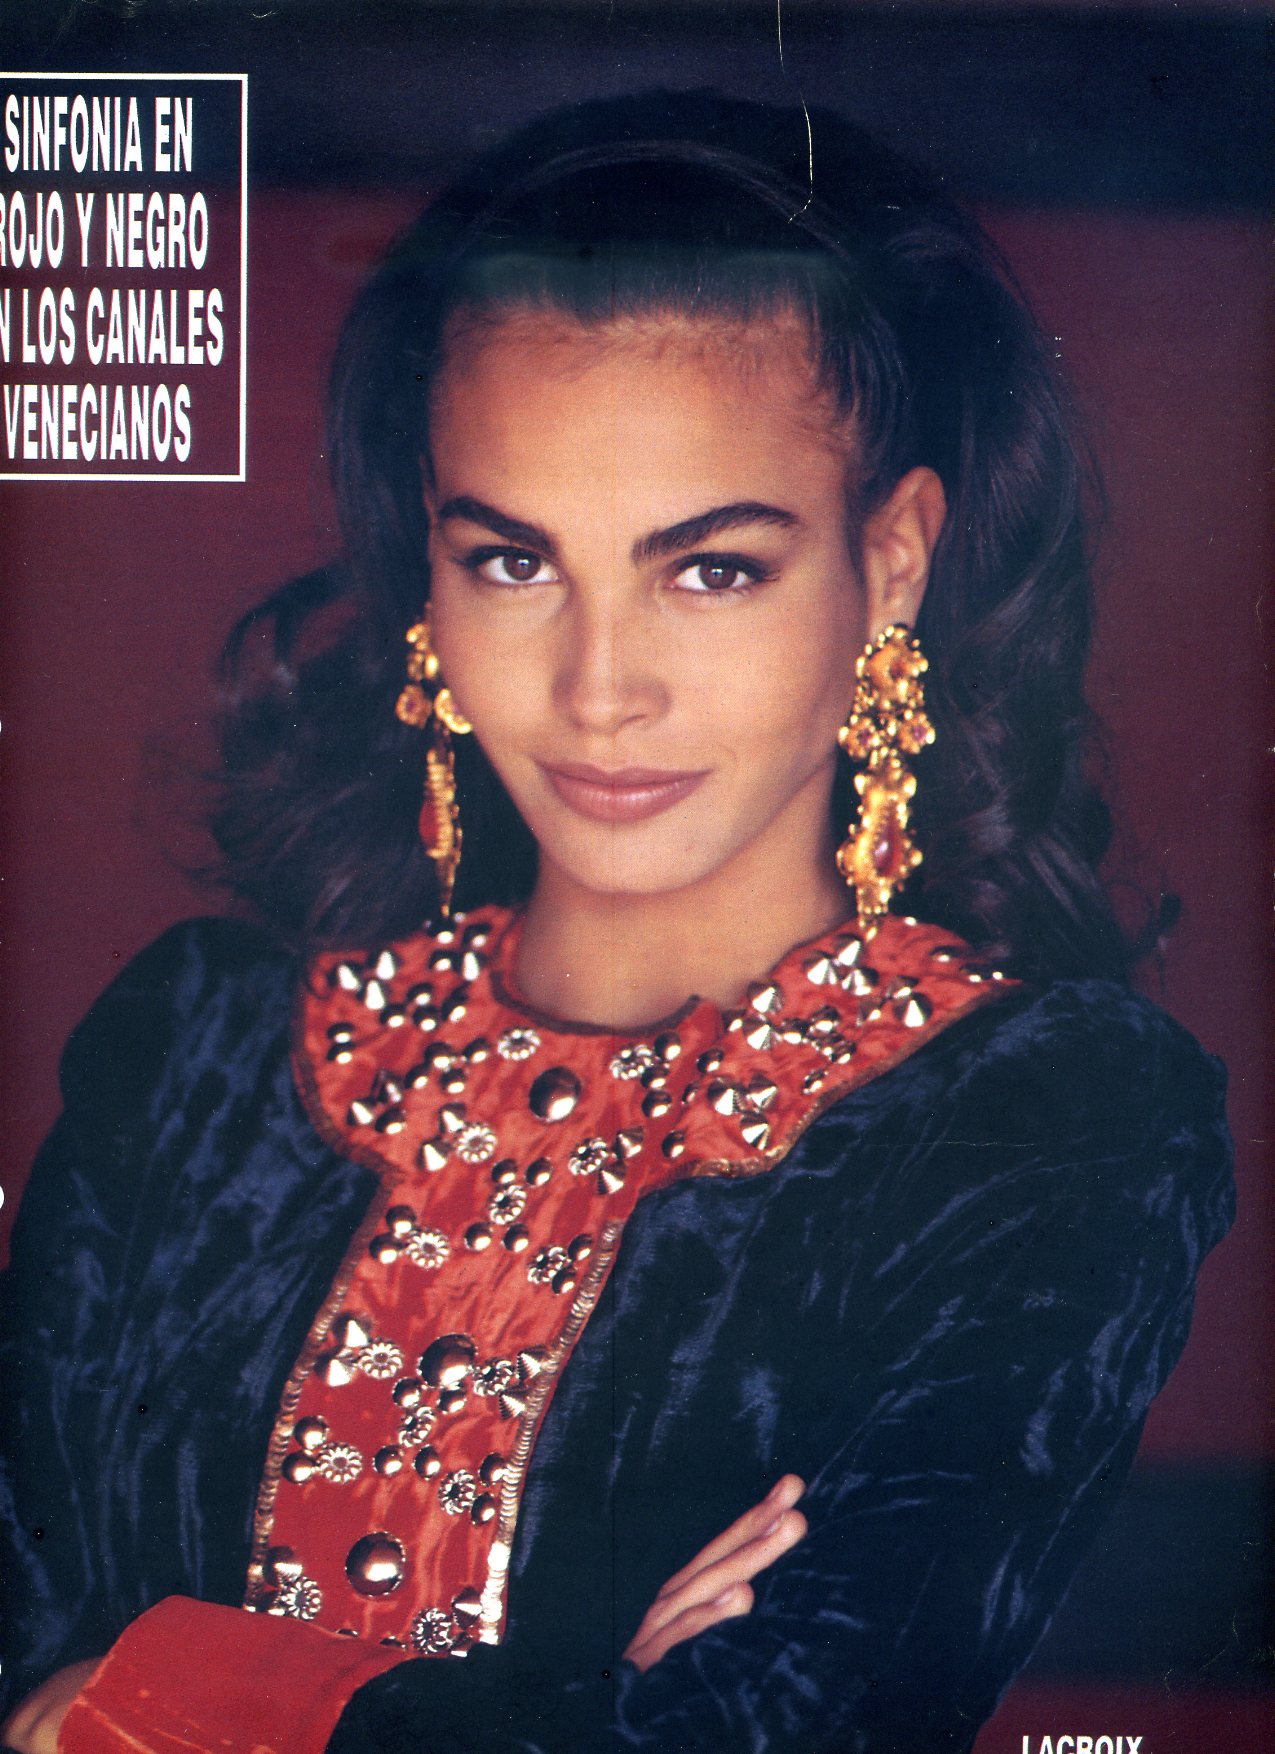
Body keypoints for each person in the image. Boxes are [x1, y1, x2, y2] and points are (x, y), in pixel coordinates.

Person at [0, 90, 1235, 1754]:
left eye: (710, 568)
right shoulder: (202, 1055)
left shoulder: (1041, 1120)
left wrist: (130, 1692)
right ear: (428, 571)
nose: (598, 688)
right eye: (513, 562)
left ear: (892, 563)